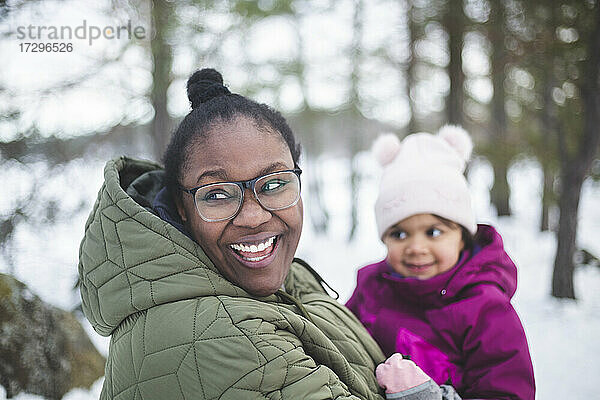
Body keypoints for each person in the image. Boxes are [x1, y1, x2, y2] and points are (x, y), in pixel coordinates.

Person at [78, 68, 459, 400]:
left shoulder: (269, 280)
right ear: (181, 207)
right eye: (217, 194)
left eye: (274, 184)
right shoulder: (219, 338)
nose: (254, 216)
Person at [346, 126, 536, 400]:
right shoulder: (371, 287)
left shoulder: (486, 308)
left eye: (434, 232)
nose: (416, 248)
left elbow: (507, 393)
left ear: (462, 236)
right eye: (399, 234)